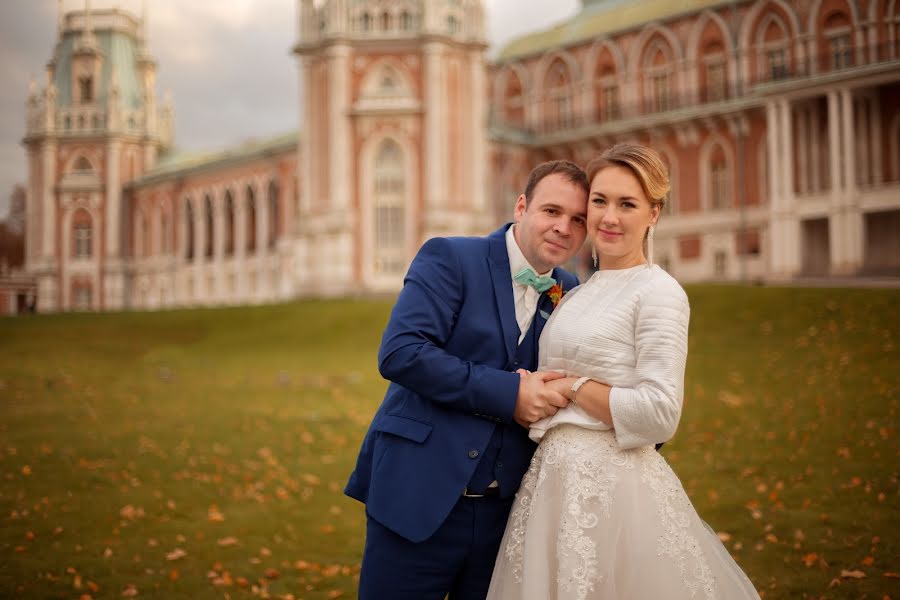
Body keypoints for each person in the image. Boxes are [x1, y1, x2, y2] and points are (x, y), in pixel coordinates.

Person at [486, 144, 760, 599]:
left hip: (616, 493)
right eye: (600, 201)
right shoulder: (573, 293)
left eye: (627, 204)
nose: (609, 217)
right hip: (552, 487)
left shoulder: (659, 293)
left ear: (653, 213)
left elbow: (659, 414)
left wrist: (575, 387)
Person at [345, 160, 590, 599]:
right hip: (417, 496)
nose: (563, 227)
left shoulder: (569, 289)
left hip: (507, 519)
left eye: (578, 219)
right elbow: (402, 352)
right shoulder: (452, 257)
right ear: (521, 206)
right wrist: (509, 393)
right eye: (552, 211)